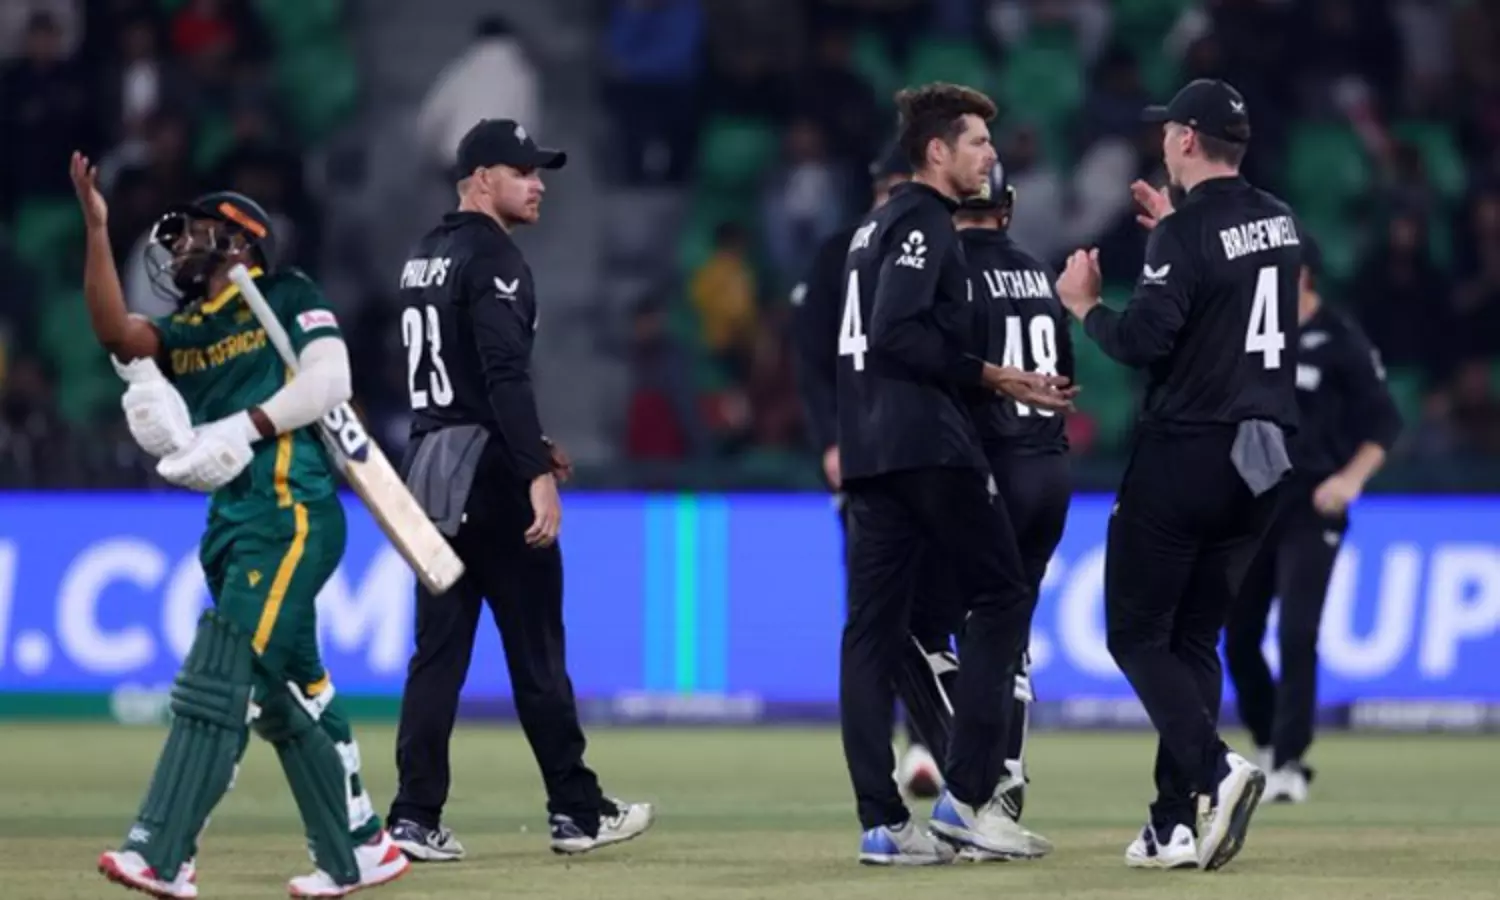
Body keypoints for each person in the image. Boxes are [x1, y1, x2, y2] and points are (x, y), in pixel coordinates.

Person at [69, 153, 409, 899]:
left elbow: (331, 382)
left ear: (237, 240)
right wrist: (96, 231)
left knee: (221, 672)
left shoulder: (287, 293)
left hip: (290, 513)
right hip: (231, 525)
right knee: (285, 698)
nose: (176, 250)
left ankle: (162, 852)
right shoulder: (188, 331)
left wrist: (245, 426)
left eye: (192, 234)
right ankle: (358, 850)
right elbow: (114, 333)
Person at [386, 118, 654, 862]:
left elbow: (457, 375)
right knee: (536, 649)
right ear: (481, 180)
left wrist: (536, 443)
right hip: (489, 474)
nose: (538, 186)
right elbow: (503, 373)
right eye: (523, 171)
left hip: (427, 467)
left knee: (437, 654)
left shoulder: (424, 255)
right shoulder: (495, 257)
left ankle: (412, 816)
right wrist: (534, 473)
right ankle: (576, 811)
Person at [1054, 78, 1301, 873]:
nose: (1161, 139)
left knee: (1134, 634)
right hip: (1264, 459)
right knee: (1194, 637)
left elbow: (1142, 342)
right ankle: (1172, 825)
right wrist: (1176, 231)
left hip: (1190, 449)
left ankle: (1217, 769)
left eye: (1168, 129)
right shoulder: (1280, 221)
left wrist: (1085, 306)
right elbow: (1225, 291)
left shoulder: (1187, 234)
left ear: (1188, 140)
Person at [835, 82, 1072, 866]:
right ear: (937, 152)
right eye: (977, 142)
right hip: (928, 449)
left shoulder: (870, 228)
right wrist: (992, 374)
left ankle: (882, 823)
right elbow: (895, 332)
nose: (990, 155)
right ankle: (970, 799)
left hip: (869, 453)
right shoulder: (924, 222)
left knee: (871, 635)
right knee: (1002, 596)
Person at [790, 140, 953, 799]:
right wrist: (829, 439)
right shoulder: (841, 254)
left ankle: (924, 745)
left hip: (915, 454)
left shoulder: (926, 247)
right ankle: (890, 757)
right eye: (889, 189)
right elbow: (810, 359)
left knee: (924, 606)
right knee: (877, 612)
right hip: (870, 456)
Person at [1224, 236, 1401, 804]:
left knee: (1297, 632)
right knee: (1238, 637)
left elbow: (1385, 423)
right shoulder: (1253, 331)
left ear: (1302, 275)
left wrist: (1349, 481)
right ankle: (1268, 741)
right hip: (1255, 501)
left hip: (1311, 505)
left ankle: (1290, 761)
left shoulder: (1340, 339)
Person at [954, 159, 1075, 823]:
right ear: (1007, 207)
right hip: (1049, 467)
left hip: (993, 468)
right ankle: (1009, 774)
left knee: (973, 630)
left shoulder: (949, 272)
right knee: (1012, 632)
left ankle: (982, 781)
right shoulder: (1037, 271)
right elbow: (1064, 377)